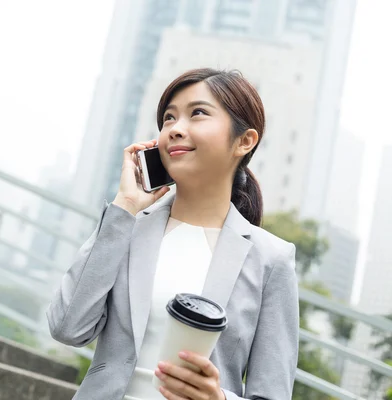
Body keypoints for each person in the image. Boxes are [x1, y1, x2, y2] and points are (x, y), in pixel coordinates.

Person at [47, 68, 299, 400]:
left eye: (197, 114)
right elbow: (68, 328)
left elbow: (273, 392)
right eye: (168, 118)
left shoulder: (272, 259)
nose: (176, 129)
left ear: (244, 141)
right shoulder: (126, 228)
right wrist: (125, 206)